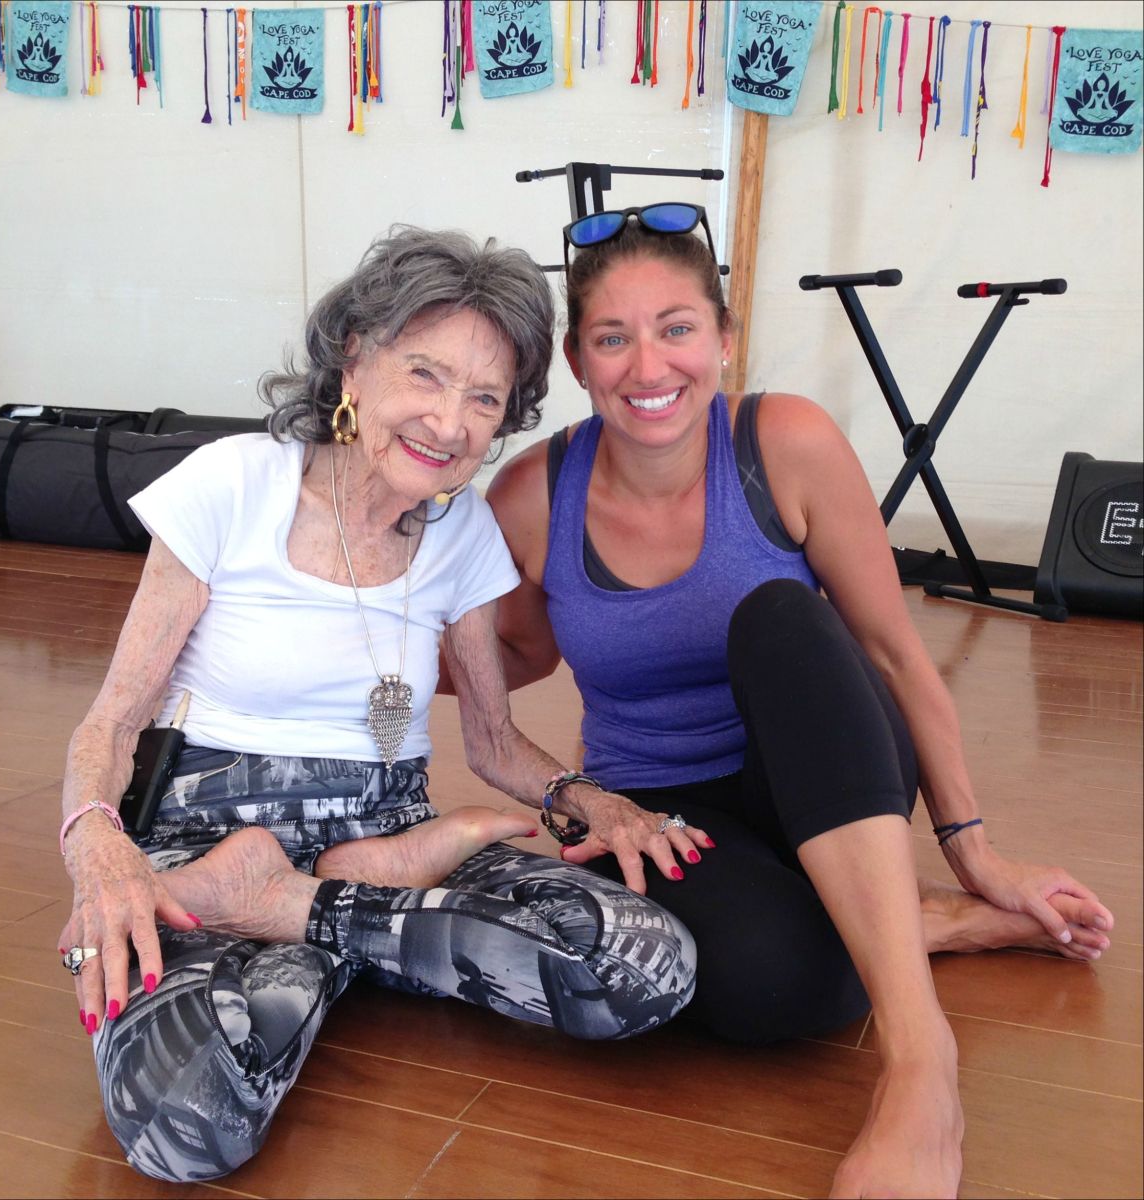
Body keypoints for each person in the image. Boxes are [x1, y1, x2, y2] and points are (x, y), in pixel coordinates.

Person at [476, 207, 1116, 1200]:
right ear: (577, 360)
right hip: (664, 806)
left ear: (724, 337)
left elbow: (894, 655)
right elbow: (502, 663)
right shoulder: (529, 497)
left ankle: (921, 1063)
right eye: (613, 337)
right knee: (764, 988)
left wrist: (975, 851)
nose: (649, 366)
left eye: (677, 328)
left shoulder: (784, 443)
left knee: (779, 616)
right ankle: (919, 925)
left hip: (825, 760)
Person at [56, 227, 699, 1185]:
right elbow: (111, 722)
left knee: (648, 963)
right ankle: (352, 928)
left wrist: (590, 799)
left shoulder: (462, 530)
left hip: (384, 833)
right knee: (186, 1123)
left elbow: (491, 741)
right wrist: (99, 853)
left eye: (484, 399)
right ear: (354, 360)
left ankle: (301, 911)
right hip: (205, 843)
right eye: (426, 375)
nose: (450, 423)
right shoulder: (234, 483)